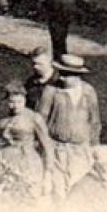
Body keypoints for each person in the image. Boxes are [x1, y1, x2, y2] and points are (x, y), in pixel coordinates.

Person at [35, 53, 102, 194]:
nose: (61, 77)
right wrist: (43, 146)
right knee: (58, 190)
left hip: (80, 150)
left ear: (77, 76)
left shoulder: (88, 91)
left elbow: (95, 120)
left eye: (66, 75)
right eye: (60, 73)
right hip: (56, 149)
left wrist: (94, 145)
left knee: (78, 190)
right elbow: (40, 120)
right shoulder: (51, 91)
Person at [0, 81, 55, 197]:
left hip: (27, 161)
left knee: (26, 196)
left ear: (25, 100)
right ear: (6, 101)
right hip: (4, 161)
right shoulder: (0, 116)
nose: (16, 106)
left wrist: (48, 173)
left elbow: (47, 146)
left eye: (20, 102)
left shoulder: (34, 118)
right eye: (12, 102)